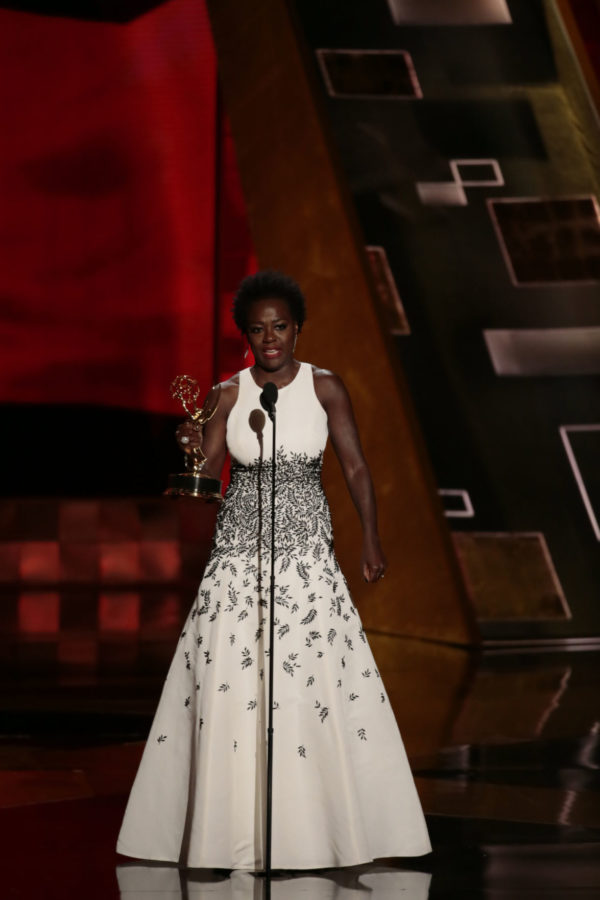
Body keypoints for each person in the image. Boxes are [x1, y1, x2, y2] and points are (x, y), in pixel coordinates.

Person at [117, 270, 431, 870]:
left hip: (307, 557)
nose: (271, 339)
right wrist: (190, 442)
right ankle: (230, 830)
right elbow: (203, 482)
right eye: (258, 330)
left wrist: (371, 539)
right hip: (238, 557)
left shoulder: (327, 388)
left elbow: (358, 468)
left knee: (309, 684)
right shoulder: (229, 395)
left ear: (297, 329)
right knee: (234, 683)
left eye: (280, 327)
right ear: (245, 336)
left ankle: (319, 829)